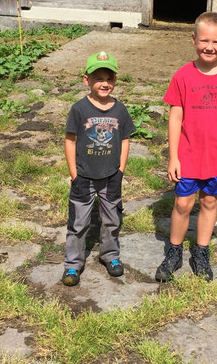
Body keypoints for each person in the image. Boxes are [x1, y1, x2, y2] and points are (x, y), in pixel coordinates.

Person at [155, 12, 217, 281]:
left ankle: (201, 252)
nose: (209, 47)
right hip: (187, 155)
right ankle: (174, 252)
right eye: (204, 40)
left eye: (216, 42)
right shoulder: (183, 75)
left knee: (209, 202)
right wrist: (173, 157)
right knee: (183, 204)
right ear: (193, 39)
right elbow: (175, 117)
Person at [62, 51, 135, 286]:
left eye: (109, 78)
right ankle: (73, 264)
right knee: (78, 222)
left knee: (112, 218)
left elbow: (125, 139)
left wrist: (120, 169)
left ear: (115, 80)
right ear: (87, 80)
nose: (104, 83)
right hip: (83, 175)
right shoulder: (79, 109)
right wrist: (74, 173)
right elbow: (70, 140)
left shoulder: (120, 110)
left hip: (111, 175)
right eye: (98, 78)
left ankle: (110, 255)